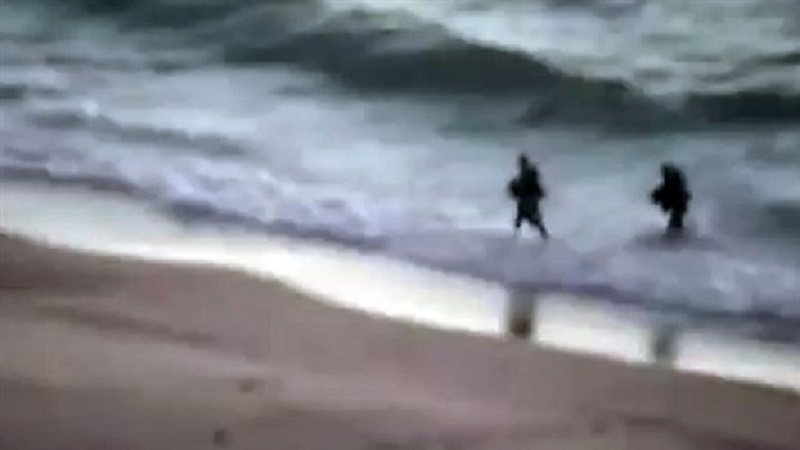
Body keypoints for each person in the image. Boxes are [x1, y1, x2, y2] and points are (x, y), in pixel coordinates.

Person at [507, 154, 549, 239]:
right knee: (520, 219)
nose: (521, 165)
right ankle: (515, 237)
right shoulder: (524, 174)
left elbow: (534, 185)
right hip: (524, 200)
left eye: (522, 163)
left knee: (534, 219)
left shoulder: (530, 173)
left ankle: (545, 236)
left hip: (530, 200)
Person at [650, 163, 691, 233]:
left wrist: (657, 196)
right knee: (675, 221)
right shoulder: (674, 183)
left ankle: (677, 233)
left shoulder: (675, 183)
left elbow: (665, 192)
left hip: (678, 205)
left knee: (676, 222)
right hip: (678, 205)